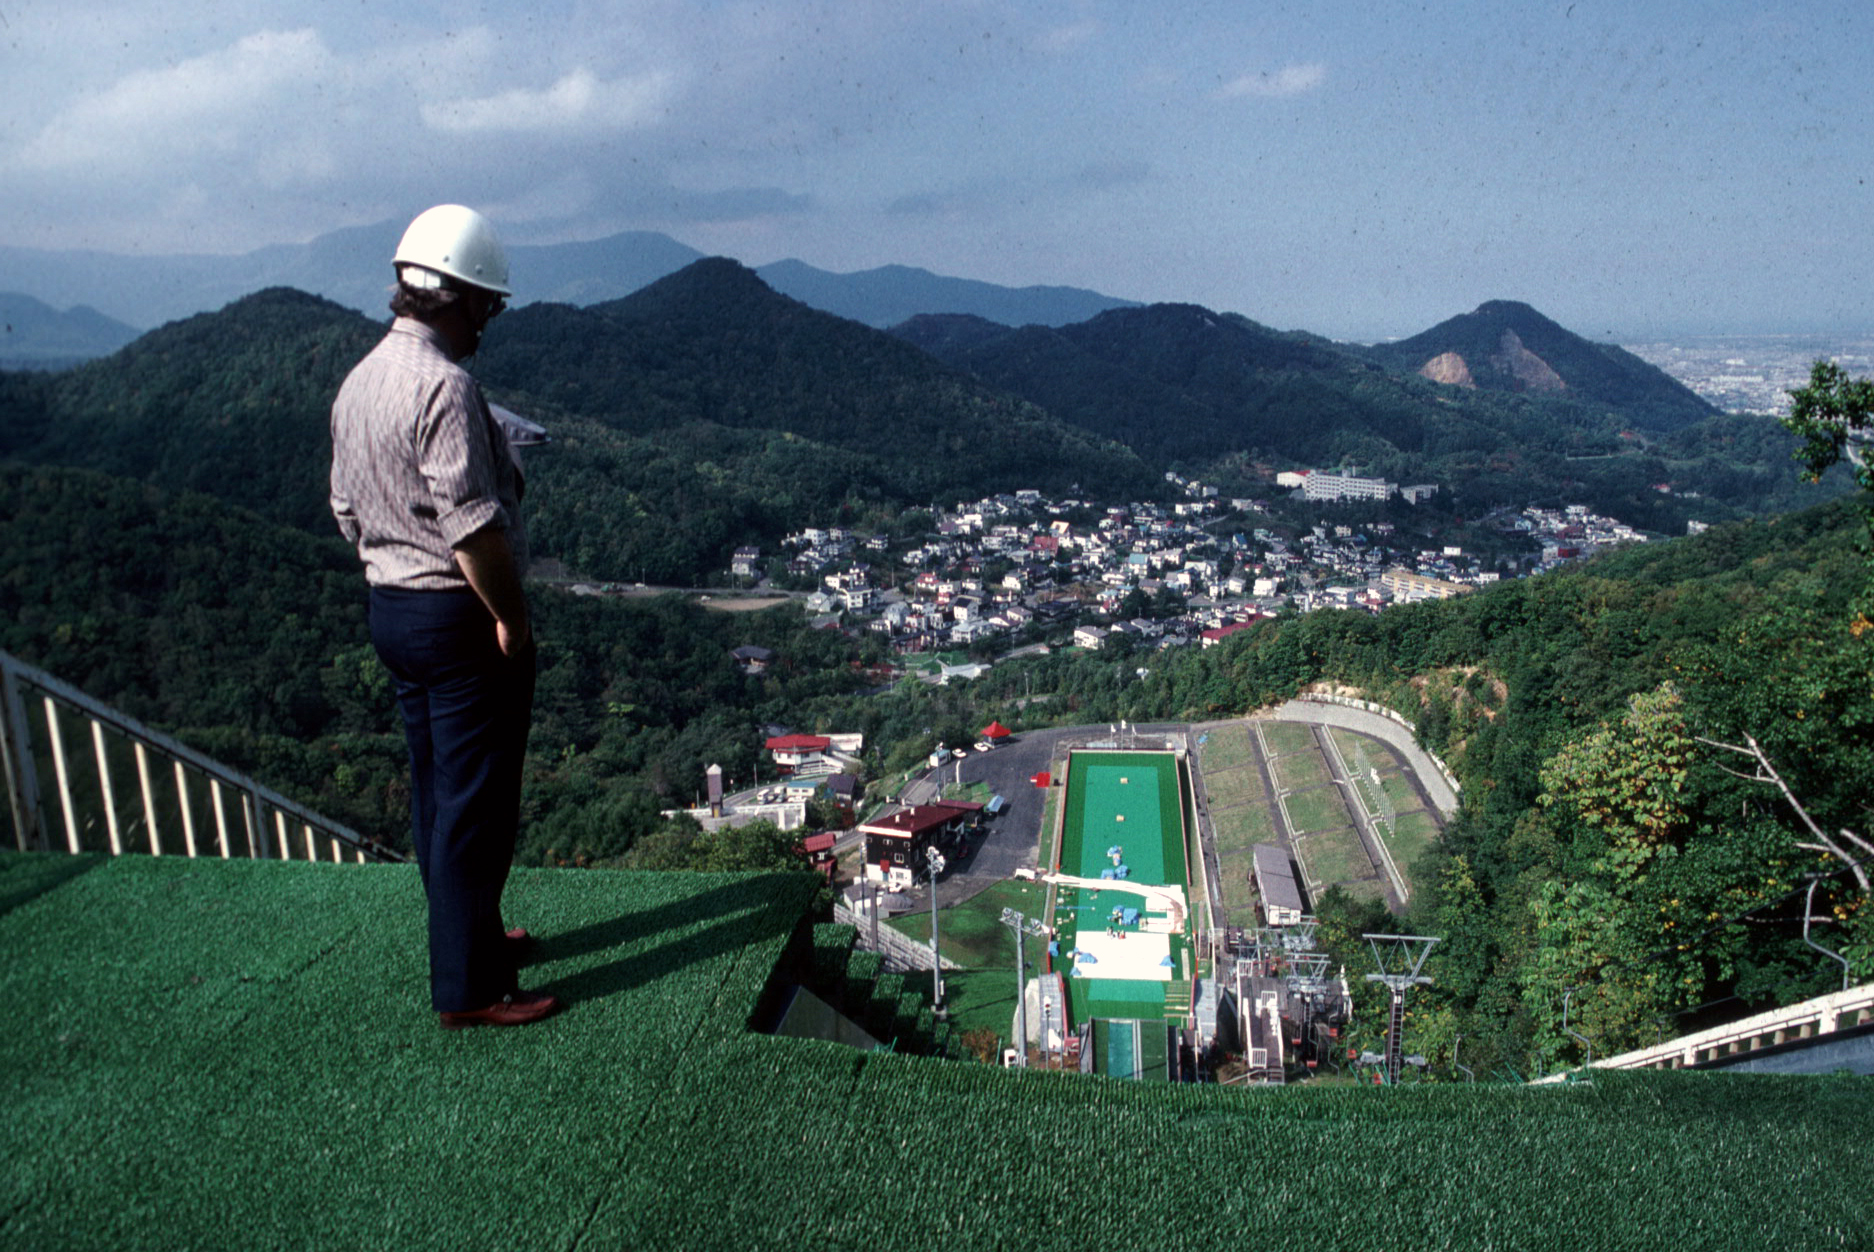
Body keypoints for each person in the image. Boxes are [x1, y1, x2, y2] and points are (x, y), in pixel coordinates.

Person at [329, 204, 558, 1029]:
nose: (486, 325)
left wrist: (394, 560)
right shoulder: (445, 386)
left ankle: (477, 939)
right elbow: (473, 527)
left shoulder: (359, 381)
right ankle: (472, 990)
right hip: (456, 615)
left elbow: (346, 511)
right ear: (454, 297)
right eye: (485, 307)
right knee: (477, 801)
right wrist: (510, 617)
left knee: (437, 789)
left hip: (391, 609)